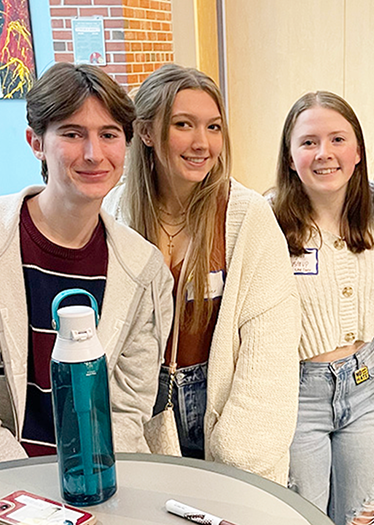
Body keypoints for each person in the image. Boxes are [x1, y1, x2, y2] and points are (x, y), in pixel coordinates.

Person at [0, 63, 173, 479]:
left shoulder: (144, 271)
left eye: (108, 135)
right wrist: (38, 502)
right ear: (36, 142)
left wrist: (94, 488)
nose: (93, 154)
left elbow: (127, 409)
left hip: (95, 482)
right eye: (72, 134)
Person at [110, 64, 300, 484]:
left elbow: (269, 341)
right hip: (145, 405)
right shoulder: (115, 213)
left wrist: (240, 450)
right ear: (145, 132)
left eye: (213, 127)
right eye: (183, 125)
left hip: (223, 398)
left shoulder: (246, 216)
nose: (202, 143)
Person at [272, 92, 374, 524]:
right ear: (289, 156)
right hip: (298, 391)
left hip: (367, 382)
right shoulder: (267, 220)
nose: (324, 154)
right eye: (308, 142)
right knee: (301, 514)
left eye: (338, 139)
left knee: (363, 514)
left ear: (358, 151)